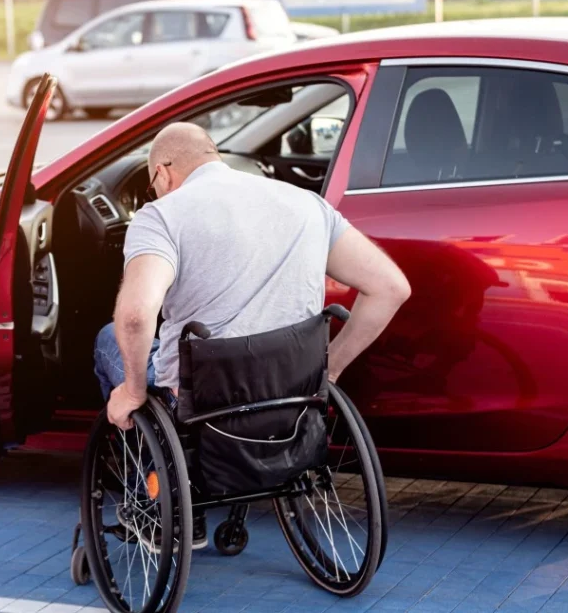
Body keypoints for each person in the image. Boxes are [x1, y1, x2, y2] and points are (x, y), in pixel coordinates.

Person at [93, 121, 411, 550]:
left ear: (162, 173)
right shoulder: (305, 204)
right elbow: (391, 288)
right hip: (292, 388)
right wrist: (327, 371)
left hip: (200, 396)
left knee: (109, 338)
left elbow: (134, 316)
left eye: (153, 185)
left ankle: (155, 495)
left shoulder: (163, 216)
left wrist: (131, 391)